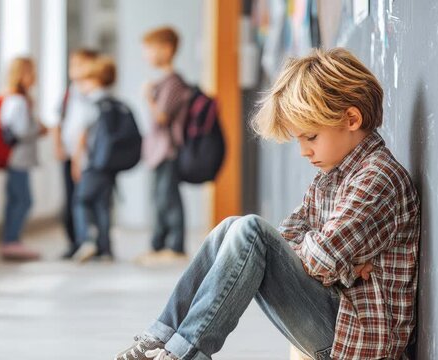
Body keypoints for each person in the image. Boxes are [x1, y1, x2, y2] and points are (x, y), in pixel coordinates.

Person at [113, 48, 420, 360]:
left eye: (311, 137)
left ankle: (183, 355)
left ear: (351, 119)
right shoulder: (331, 176)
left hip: (355, 342)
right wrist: (343, 265)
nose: (304, 151)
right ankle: (161, 338)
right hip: (333, 319)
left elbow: (319, 260)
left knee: (251, 232)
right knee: (231, 228)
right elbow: (289, 237)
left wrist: (324, 259)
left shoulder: (377, 179)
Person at [136, 26, 192, 266]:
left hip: (168, 151)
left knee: (168, 199)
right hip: (157, 152)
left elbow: (162, 117)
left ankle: (175, 246)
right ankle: (158, 245)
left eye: (150, 50)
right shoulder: (165, 81)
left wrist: (148, 96)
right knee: (158, 199)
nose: (146, 55)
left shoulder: (174, 82)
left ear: (167, 50)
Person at [70, 56, 119, 263]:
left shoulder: (90, 103)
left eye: (85, 80)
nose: (82, 85)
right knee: (103, 206)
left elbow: (82, 135)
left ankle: (87, 240)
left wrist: (76, 160)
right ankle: (106, 249)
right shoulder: (115, 103)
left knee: (81, 202)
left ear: (95, 80)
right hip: (109, 165)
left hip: (92, 164)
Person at [51, 48, 99, 259]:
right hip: (70, 154)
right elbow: (57, 121)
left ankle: (91, 240)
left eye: (82, 65)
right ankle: (74, 241)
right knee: (71, 198)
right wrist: (58, 146)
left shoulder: (94, 94)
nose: (76, 69)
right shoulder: (69, 94)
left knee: (88, 198)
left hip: (89, 157)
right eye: (74, 65)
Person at [0, 57, 46, 261]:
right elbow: (20, 130)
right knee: (23, 201)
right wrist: (40, 129)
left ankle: (11, 241)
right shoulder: (17, 101)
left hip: (17, 159)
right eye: (30, 72)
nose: (34, 77)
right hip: (17, 159)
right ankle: (12, 241)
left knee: (15, 200)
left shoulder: (15, 100)